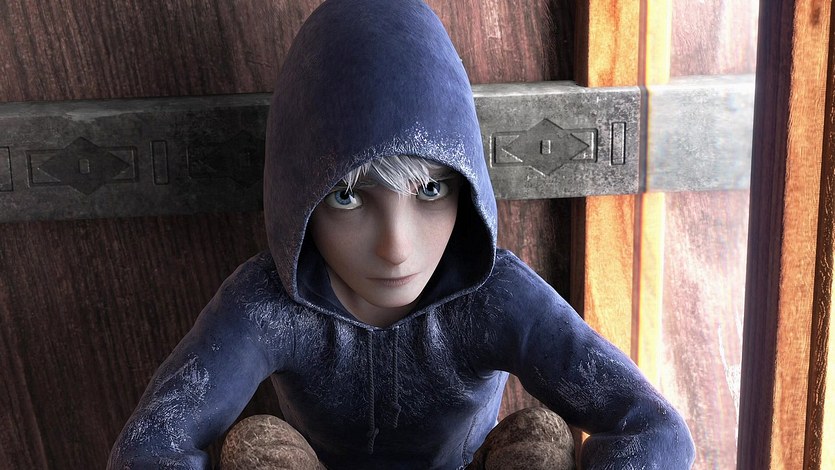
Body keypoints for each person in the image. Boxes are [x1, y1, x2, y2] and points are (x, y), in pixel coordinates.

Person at [108, 0, 696, 468]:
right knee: (258, 448)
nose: (396, 248)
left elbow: (654, 429)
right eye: (347, 197)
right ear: (297, 199)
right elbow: (149, 447)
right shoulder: (266, 307)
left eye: (430, 190)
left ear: (467, 188)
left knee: (539, 441)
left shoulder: (496, 296)